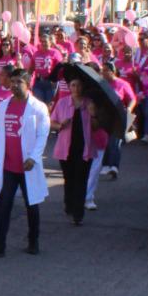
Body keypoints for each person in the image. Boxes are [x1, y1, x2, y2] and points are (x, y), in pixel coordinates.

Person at [0, 68, 49, 258]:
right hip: (8, 166)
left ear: (28, 85)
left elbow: (42, 135)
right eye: (13, 82)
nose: (14, 85)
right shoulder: (3, 106)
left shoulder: (38, 108)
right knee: (4, 206)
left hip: (27, 165)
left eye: (19, 82)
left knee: (31, 205)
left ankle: (33, 241)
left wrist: (34, 158)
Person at [50, 76, 108, 226]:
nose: (76, 88)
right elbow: (51, 123)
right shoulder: (63, 102)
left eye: (79, 85)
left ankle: (78, 214)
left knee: (81, 181)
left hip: (85, 149)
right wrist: (60, 125)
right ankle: (69, 204)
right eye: (73, 85)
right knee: (69, 180)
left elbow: (96, 127)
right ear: (69, 87)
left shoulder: (89, 104)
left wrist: (93, 113)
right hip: (66, 149)